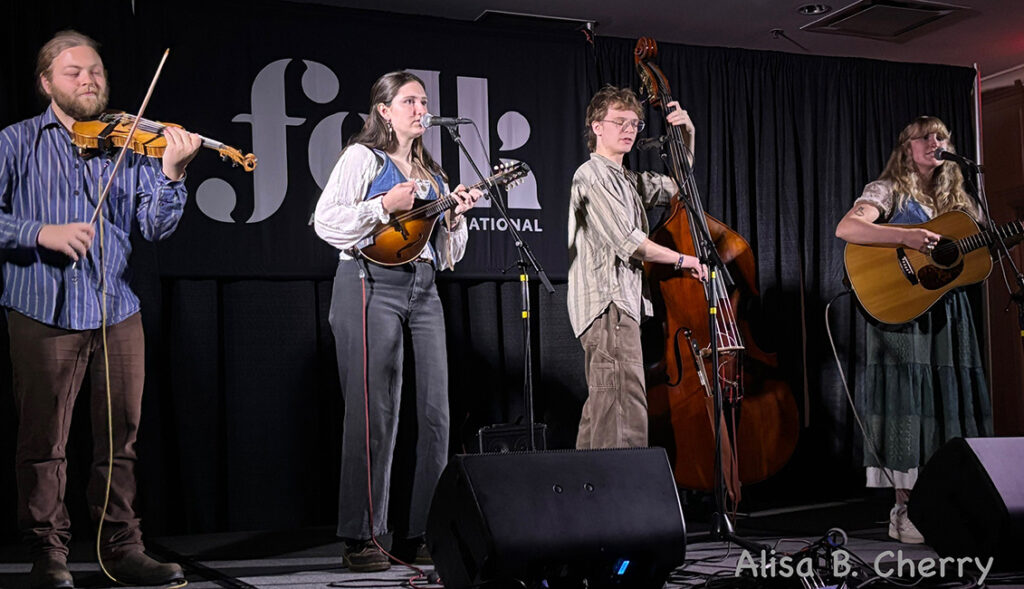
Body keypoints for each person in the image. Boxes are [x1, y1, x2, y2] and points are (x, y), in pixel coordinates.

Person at [0, 30, 201, 589]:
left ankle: (122, 548)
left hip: (117, 306)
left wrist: (173, 174)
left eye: (96, 72)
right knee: (44, 443)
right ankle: (48, 554)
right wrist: (41, 231)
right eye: (74, 73)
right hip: (42, 307)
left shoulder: (126, 142)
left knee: (122, 441)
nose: (89, 80)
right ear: (46, 83)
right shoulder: (14, 143)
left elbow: (155, 227)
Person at [312, 71, 481, 573]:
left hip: (423, 286)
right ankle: (362, 536)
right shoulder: (364, 158)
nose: (419, 109)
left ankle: (423, 531)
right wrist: (383, 203)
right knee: (373, 411)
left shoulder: (433, 173)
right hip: (367, 283)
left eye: (424, 101)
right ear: (384, 110)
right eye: (409, 101)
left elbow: (446, 254)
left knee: (436, 413)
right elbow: (326, 220)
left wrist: (455, 217)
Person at [835, 115, 993, 544]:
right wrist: (904, 238)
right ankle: (904, 508)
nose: (935, 143)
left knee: (947, 402)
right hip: (902, 310)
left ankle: (951, 503)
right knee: (908, 401)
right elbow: (847, 228)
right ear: (907, 147)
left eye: (942, 136)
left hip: (948, 312)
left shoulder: (960, 203)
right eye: (926, 137)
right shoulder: (886, 190)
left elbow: (974, 256)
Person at [567, 86, 707, 450]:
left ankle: (588, 495)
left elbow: (679, 186)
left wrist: (687, 134)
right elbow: (628, 241)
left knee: (603, 408)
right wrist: (682, 259)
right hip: (608, 304)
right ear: (597, 127)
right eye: (620, 122)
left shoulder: (626, 179)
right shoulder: (592, 175)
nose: (630, 129)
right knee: (624, 407)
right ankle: (623, 498)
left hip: (620, 304)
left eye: (635, 123)